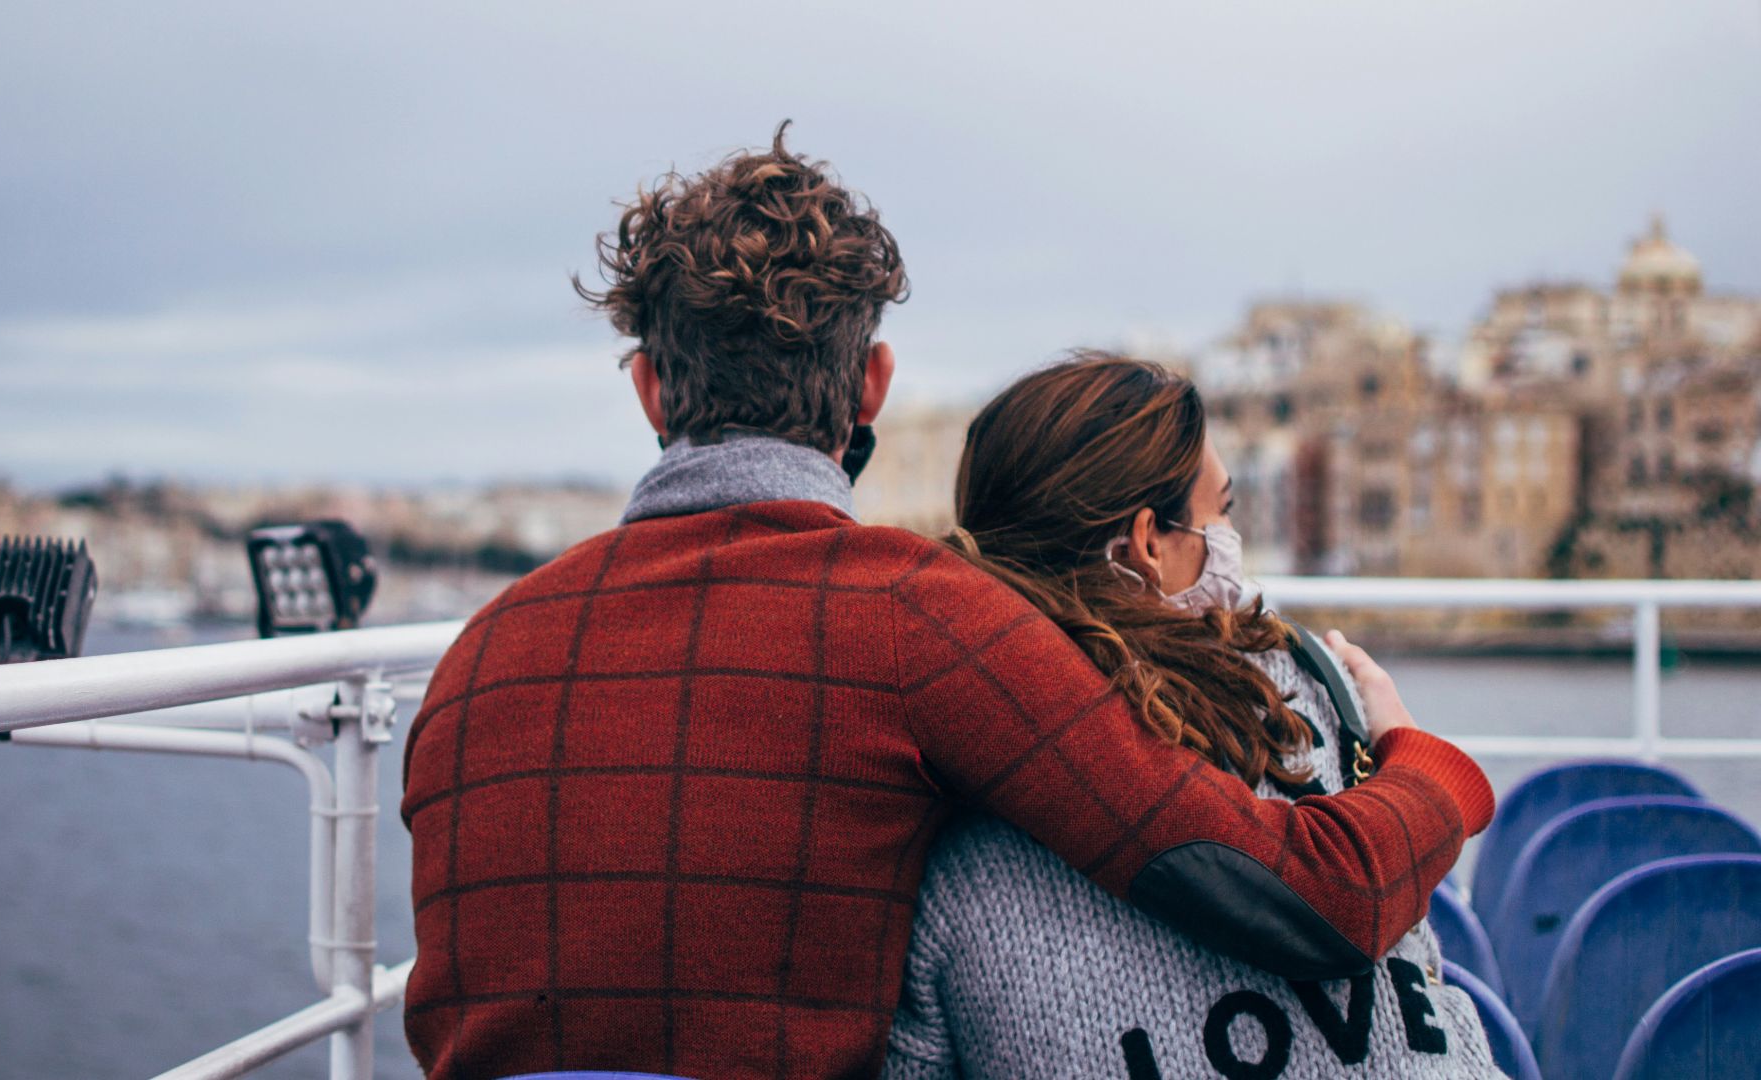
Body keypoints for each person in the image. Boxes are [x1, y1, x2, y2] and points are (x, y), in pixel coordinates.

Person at [399, 125, 1494, 1080]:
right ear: (873, 382)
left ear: (647, 387)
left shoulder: (479, 654)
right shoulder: (914, 615)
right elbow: (1290, 893)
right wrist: (1431, 766)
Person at [884, 353, 1502, 1078]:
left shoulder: (947, 795)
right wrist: (1411, 757)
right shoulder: (1308, 697)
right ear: (1148, 544)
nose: (1231, 544)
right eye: (1224, 511)